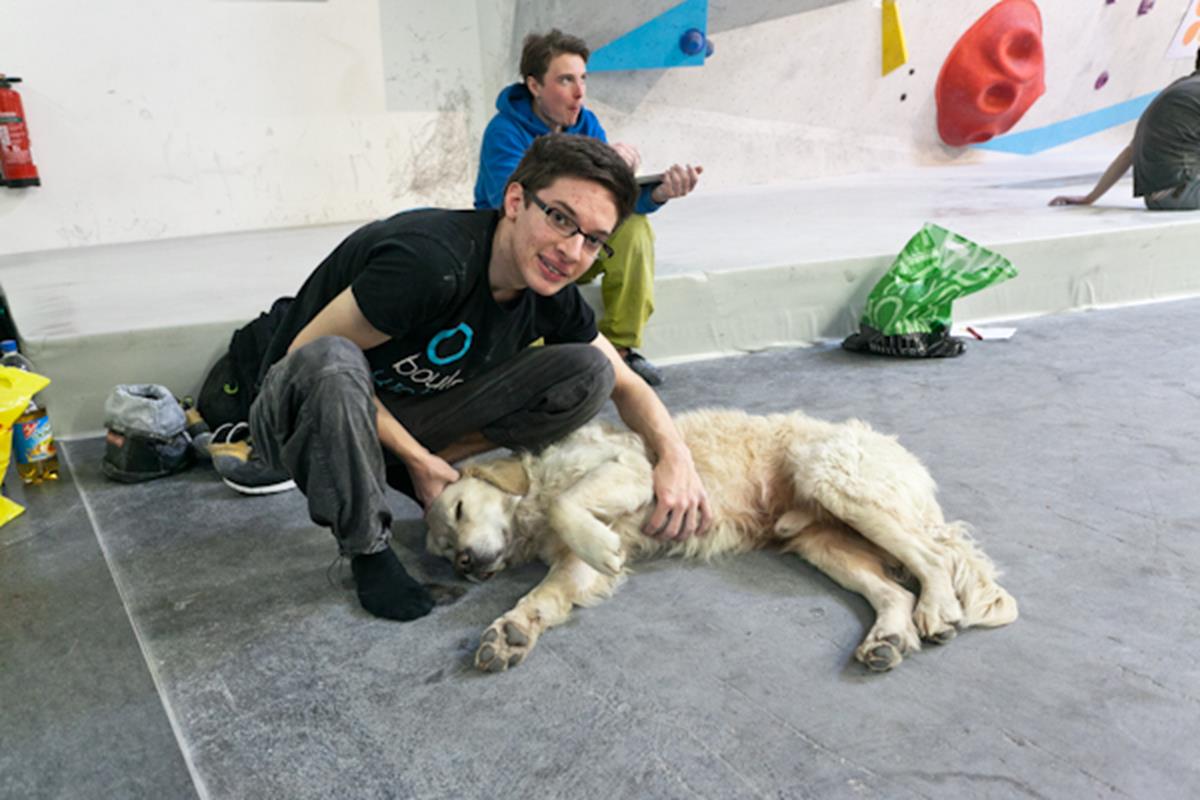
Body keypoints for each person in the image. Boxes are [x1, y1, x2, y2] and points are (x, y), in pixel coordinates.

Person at [247, 134, 711, 622]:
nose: (572, 250)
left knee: (588, 370)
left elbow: (626, 383)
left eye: (593, 239)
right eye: (560, 218)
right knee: (335, 361)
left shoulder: (549, 287)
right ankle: (368, 546)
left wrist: (676, 458)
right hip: (298, 414)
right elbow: (306, 356)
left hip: (399, 413)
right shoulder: (430, 263)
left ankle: (412, 469)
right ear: (515, 201)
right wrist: (415, 454)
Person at [474, 29, 702, 387]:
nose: (580, 92)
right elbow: (510, 204)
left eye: (583, 78)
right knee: (533, 237)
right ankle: (529, 361)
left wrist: (655, 194)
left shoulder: (587, 124)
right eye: (566, 80)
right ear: (534, 86)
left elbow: (606, 204)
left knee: (635, 229)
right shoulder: (503, 132)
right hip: (525, 247)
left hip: (574, 244)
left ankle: (620, 350)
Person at [1051, 50, 1200, 210]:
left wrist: (1091, 197)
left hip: (1155, 198)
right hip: (1183, 195)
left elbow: (1130, 152)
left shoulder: (1179, 87)